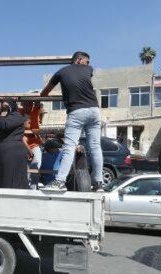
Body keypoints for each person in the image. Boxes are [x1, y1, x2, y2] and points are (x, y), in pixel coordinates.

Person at [40, 51, 102, 191]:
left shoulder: (61, 72)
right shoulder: (88, 70)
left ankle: (60, 182)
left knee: (69, 147)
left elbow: (44, 92)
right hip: (94, 110)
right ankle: (98, 183)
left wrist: (48, 95)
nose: (89, 65)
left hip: (76, 111)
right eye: (87, 61)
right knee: (95, 147)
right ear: (79, 60)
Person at [0, 98, 29, 190]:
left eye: (6, 106)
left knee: (13, 181)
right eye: (3, 106)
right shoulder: (3, 118)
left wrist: (3, 113)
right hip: (5, 154)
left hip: (13, 154)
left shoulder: (16, 116)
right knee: (4, 179)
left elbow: (3, 125)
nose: (4, 108)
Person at [22, 101, 43, 188]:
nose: (28, 106)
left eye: (30, 104)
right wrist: (29, 151)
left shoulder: (34, 111)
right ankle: (25, 188)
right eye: (26, 104)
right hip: (23, 146)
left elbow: (38, 102)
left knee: (35, 167)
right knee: (25, 170)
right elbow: (23, 139)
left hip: (34, 145)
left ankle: (33, 188)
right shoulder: (19, 113)